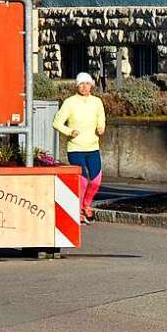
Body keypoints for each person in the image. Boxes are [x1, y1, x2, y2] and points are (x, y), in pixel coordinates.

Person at [53, 72, 105, 224]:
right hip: (75, 148)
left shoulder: (97, 102)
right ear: (77, 86)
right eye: (81, 84)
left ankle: (86, 204)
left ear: (92, 86)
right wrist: (70, 131)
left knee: (96, 180)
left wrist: (101, 127)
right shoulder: (70, 102)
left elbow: (101, 118)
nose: (84, 87)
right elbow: (57, 123)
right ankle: (77, 210)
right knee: (82, 181)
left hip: (93, 147)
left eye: (87, 84)